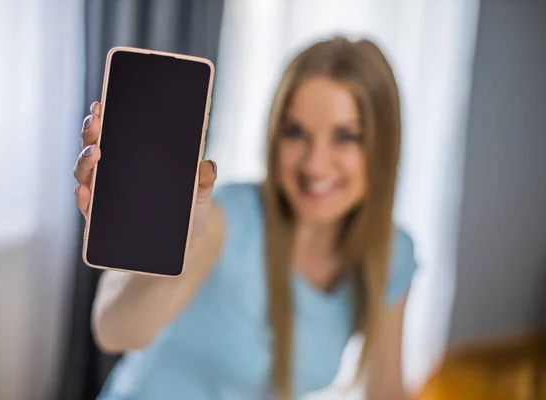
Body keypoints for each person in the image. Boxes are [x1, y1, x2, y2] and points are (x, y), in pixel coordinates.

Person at [73, 36, 418, 400]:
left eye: (345, 136)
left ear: (383, 145)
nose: (315, 163)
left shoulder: (391, 254)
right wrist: (176, 247)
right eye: (296, 132)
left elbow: (386, 391)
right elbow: (113, 331)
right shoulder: (226, 217)